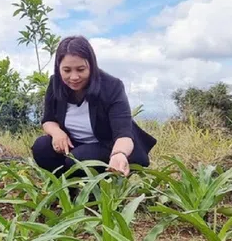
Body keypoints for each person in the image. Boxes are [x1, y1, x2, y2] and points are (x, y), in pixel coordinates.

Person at [31, 36, 157, 178]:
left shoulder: (112, 87)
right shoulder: (56, 84)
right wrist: (57, 132)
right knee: (42, 147)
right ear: (58, 68)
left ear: (91, 65)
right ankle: (66, 188)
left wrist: (119, 154)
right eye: (67, 70)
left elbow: (124, 134)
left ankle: (95, 190)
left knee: (78, 159)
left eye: (80, 69)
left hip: (107, 146)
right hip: (74, 144)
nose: (74, 77)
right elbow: (48, 120)